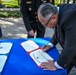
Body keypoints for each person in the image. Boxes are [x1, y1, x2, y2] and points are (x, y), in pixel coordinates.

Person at [37, 3, 76, 74]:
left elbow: (71, 47)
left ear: (53, 18)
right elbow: (59, 29)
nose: (45, 27)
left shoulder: (72, 17)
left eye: (45, 24)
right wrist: (51, 44)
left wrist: (55, 65)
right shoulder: (59, 11)